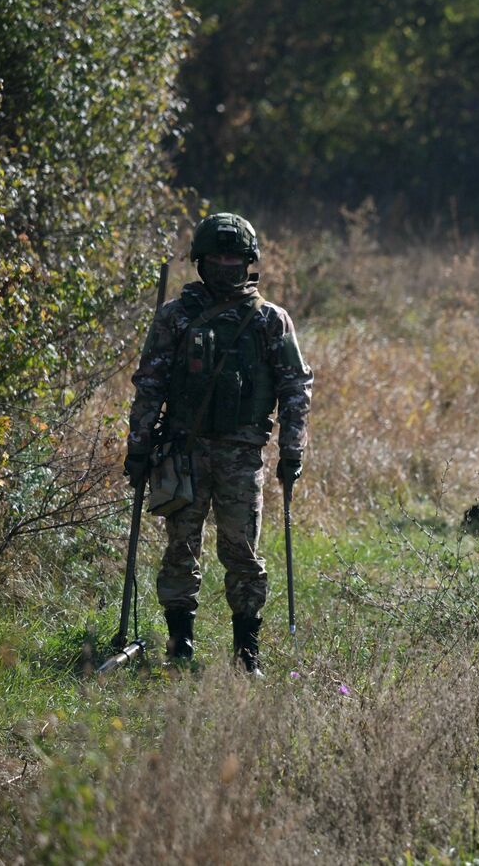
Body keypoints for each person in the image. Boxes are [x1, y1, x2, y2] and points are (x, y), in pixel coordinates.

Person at [124, 213, 313, 676]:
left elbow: (295, 389)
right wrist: (139, 447)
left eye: (235, 257)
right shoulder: (175, 317)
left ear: (249, 262)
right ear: (200, 262)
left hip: (242, 454)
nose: (226, 265)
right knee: (179, 549)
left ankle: (247, 653)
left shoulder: (270, 320)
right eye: (216, 257)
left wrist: (293, 450)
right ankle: (180, 644)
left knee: (242, 552)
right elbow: (149, 385)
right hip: (182, 453)